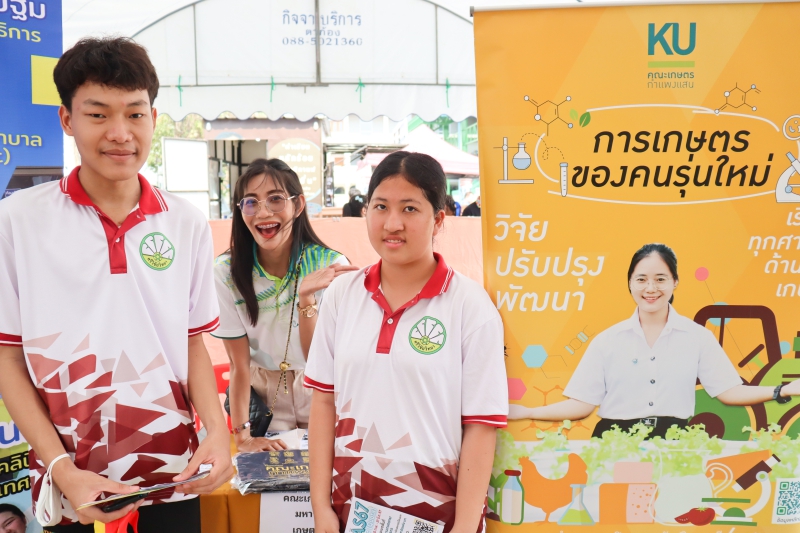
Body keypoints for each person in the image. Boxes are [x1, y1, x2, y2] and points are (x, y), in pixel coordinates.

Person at [0, 37, 232, 532]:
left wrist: (217, 431)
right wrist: (63, 470)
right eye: (98, 114)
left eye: (135, 113)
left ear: (153, 117)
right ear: (67, 120)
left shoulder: (185, 222)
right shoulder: (18, 220)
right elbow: (8, 360)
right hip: (72, 486)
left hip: (174, 474)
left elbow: (192, 342)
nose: (120, 133)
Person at [305, 152, 508, 533]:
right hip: (351, 509)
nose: (392, 223)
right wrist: (321, 508)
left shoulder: (469, 306)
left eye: (410, 208)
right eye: (381, 206)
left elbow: (481, 428)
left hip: (438, 514)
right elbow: (323, 403)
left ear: (439, 219)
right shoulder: (342, 296)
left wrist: (465, 527)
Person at [509, 243, 800, 438]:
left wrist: (783, 390)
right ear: (630, 283)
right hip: (615, 441)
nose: (651, 288)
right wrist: (528, 412)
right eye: (641, 279)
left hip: (673, 441)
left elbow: (729, 391)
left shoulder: (698, 337)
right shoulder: (606, 341)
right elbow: (582, 405)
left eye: (660, 279)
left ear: (675, 282)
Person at [213, 159, 357, 452]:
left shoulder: (329, 265)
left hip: (321, 389)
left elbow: (318, 357)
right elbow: (238, 364)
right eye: (250, 202)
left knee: (325, 476)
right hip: (262, 395)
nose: (263, 212)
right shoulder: (225, 271)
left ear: (298, 205)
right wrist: (243, 437)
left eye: (276, 199)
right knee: (264, 478)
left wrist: (306, 298)